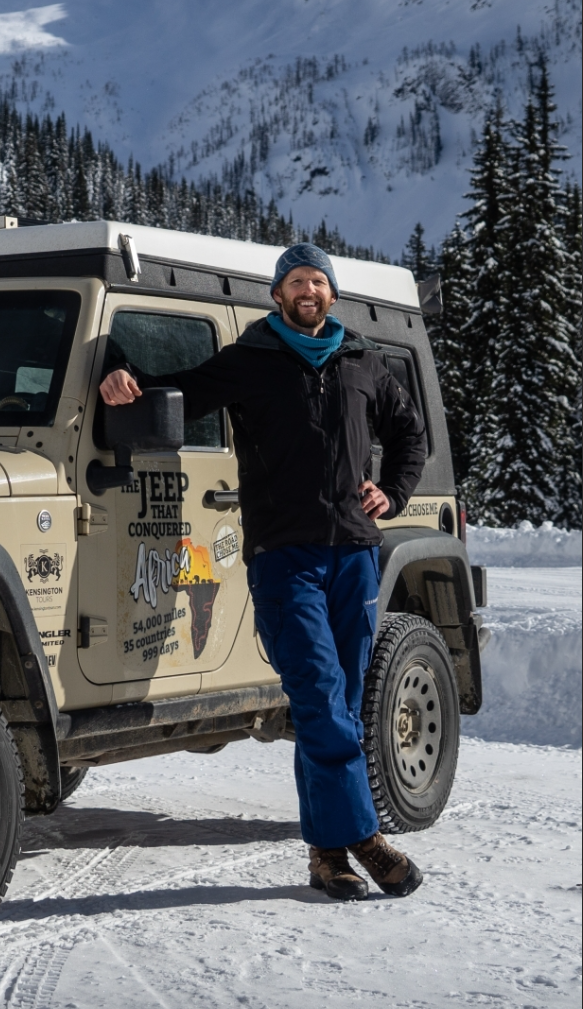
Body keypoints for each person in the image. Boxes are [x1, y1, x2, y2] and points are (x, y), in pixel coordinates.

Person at [100, 243, 428, 901]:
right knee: (315, 692)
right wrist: (117, 371)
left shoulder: (359, 360)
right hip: (285, 558)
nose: (308, 290)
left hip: (354, 556)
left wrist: (389, 492)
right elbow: (178, 389)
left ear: (329, 294)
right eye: (295, 281)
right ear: (276, 294)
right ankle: (365, 838)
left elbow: (408, 432)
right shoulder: (248, 361)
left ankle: (325, 854)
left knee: (334, 703)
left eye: (317, 281)